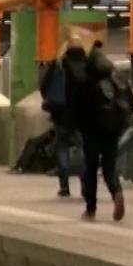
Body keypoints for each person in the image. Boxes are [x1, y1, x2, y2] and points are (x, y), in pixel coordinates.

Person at [66, 41, 133, 221]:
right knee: (109, 167)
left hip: (91, 130)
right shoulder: (115, 75)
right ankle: (117, 192)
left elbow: (75, 106)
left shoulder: (84, 78)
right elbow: (129, 100)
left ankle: (91, 209)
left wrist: (74, 125)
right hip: (113, 127)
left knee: (90, 168)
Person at [40, 46, 88, 198]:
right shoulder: (87, 67)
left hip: (60, 115)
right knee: (82, 150)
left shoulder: (59, 66)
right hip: (81, 116)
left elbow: (44, 86)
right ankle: (85, 185)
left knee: (62, 149)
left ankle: (64, 186)